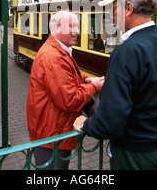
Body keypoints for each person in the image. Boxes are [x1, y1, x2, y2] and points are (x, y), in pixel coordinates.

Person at [73, 0, 157, 170]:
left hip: (135, 153)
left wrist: (86, 125)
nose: (110, 14)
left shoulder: (127, 50)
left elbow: (110, 122)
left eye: (113, 8)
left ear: (128, 8)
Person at [26, 10, 104, 170]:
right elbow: (69, 99)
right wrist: (93, 87)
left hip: (55, 132)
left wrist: (85, 80)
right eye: (72, 26)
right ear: (56, 28)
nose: (77, 31)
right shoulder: (53, 57)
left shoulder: (58, 51)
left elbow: (67, 77)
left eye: (77, 26)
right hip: (52, 137)